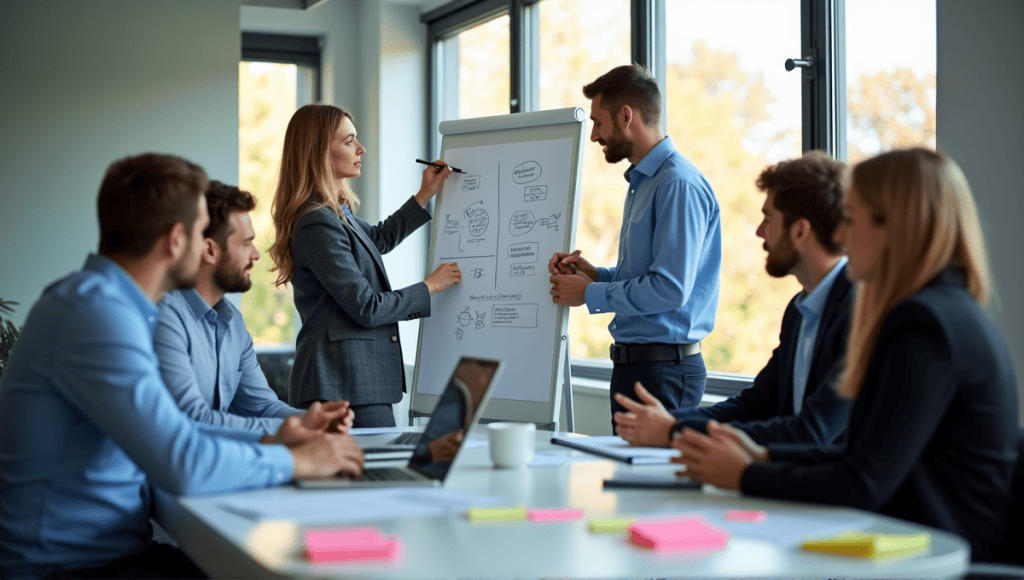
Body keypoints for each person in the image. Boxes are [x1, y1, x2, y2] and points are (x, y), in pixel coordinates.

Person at [0, 154, 364, 579]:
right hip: (63, 566)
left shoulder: (107, 305)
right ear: (176, 240)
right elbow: (182, 460)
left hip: (109, 550)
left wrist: (290, 434)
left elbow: (177, 430)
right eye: (197, 231)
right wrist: (301, 461)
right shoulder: (97, 314)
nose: (203, 245)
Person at [674, 147, 1018, 562]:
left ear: (893, 228)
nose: (840, 237)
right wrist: (763, 454)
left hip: (942, 560)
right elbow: (869, 453)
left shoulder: (922, 326)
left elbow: (864, 481)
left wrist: (746, 474)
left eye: (851, 221)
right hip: (925, 544)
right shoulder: (945, 310)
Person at [615, 152, 853, 447]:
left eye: (768, 219)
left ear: (800, 231)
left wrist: (674, 432)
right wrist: (674, 423)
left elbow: (812, 433)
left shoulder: (859, 313)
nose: (758, 232)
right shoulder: (799, 310)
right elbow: (755, 405)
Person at [548, 64, 722, 426]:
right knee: (628, 479)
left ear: (626, 116)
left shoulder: (676, 184)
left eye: (598, 122)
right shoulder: (644, 182)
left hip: (662, 372)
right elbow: (644, 275)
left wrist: (589, 294)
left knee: (649, 481)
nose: (594, 136)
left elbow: (670, 289)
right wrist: (594, 274)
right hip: (642, 368)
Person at [269, 104, 461, 428]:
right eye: (349, 142)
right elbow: (367, 307)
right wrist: (431, 286)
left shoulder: (335, 214)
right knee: (373, 477)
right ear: (318, 152)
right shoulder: (318, 221)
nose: (362, 149)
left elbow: (379, 238)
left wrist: (425, 193)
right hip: (343, 382)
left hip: (352, 382)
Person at [154, 181, 354, 434]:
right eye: (246, 243)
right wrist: (297, 427)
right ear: (210, 250)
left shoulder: (232, 321)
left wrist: (314, 420)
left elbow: (263, 407)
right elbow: (192, 420)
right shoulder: (166, 318)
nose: (257, 254)